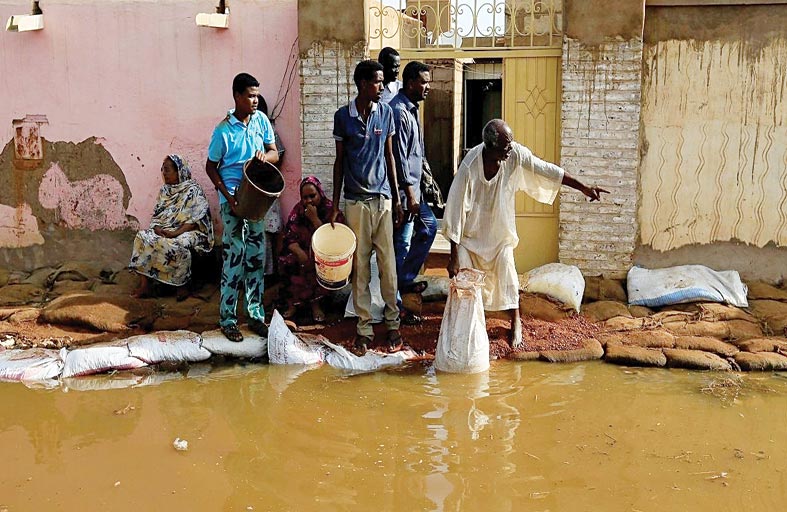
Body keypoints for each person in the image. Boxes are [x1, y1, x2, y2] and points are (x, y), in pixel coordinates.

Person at [442, 119, 609, 348]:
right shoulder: (470, 165)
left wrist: (583, 187)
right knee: (468, 284)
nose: (510, 149)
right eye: (505, 147)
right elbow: (455, 209)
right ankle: (471, 327)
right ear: (490, 148)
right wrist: (453, 256)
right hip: (471, 238)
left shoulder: (515, 154)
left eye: (510, 145)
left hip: (500, 236)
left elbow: (546, 169)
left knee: (509, 277)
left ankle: (515, 321)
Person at [331, 59, 405, 356]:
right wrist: (336, 205)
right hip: (355, 203)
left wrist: (397, 199)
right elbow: (339, 162)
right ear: (362, 84)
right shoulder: (342, 117)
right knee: (360, 268)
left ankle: (393, 324)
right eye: (377, 81)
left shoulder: (386, 113)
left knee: (388, 267)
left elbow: (390, 158)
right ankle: (363, 328)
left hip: (383, 201)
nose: (382, 87)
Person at [206, 72, 279, 342]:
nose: (255, 100)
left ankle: (256, 316)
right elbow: (211, 167)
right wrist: (228, 196)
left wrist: (265, 155)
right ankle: (227, 319)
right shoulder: (223, 131)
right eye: (250, 95)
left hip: (256, 198)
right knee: (234, 257)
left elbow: (273, 152)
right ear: (237, 96)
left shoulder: (261, 121)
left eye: (257, 95)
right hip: (233, 200)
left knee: (256, 257)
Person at [389, 61, 437, 325]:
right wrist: (409, 194)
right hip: (404, 193)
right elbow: (399, 157)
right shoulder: (398, 111)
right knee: (401, 244)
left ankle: (405, 281)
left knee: (428, 228)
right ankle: (396, 305)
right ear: (410, 83)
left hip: (415, 190)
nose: (428, 87)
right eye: (424, 82)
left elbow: (417, 154)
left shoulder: (411, 109)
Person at [130, 155, 214, 301]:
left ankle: (182, 285)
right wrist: (157, 229)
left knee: (179, 243)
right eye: (162, 169)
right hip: (166, 229)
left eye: (167, 170)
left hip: (190, 231)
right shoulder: (165, 191)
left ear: (179, 171)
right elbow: (157, 216)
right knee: (142, 237)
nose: (164, 173)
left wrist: (175, 233)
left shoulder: (193, 190)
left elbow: (195, 220)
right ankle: (145, 285)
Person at [279, 176, 345, 323]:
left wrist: (314, 219)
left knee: (318, 264)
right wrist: (300, 252)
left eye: (312, 196)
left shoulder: (330, 210)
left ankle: (316, 305)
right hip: (302, 251)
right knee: (288, 261)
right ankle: (293, 304)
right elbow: (289, 237)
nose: (308, 201)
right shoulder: (298, 210)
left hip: (323, 252)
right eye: (305, 197)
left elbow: (333, 240)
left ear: (320, 193)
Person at [257, 94, 285, 281]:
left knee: (266, 232)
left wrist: (264, 162)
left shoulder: (269, 130)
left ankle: (268, 275)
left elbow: (279, 153)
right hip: (248, 187)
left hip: (266, 186)